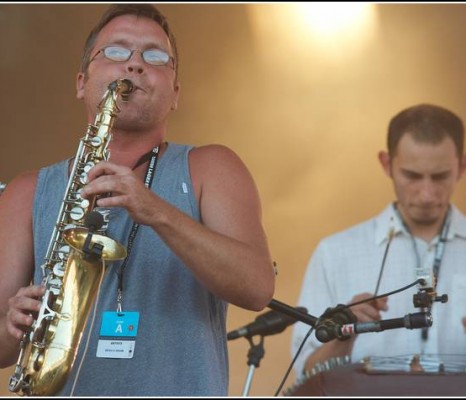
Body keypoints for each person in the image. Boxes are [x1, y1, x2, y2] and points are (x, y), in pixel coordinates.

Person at [0, 4, 275, 396]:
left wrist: (155, 209)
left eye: (155, 56)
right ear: (81, 82)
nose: (134, 64)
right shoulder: (26, 190)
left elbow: (258, 287)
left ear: (175, 92)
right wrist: (12, 323)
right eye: (115, 52)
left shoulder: (212, 167)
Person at [291, 103, 466, 380]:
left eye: (440, 176)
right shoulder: (334, 253)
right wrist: (344, 334)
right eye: (412, 175)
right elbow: (306, 378)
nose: (426, 194)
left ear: (463, 165)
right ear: (386, 163)